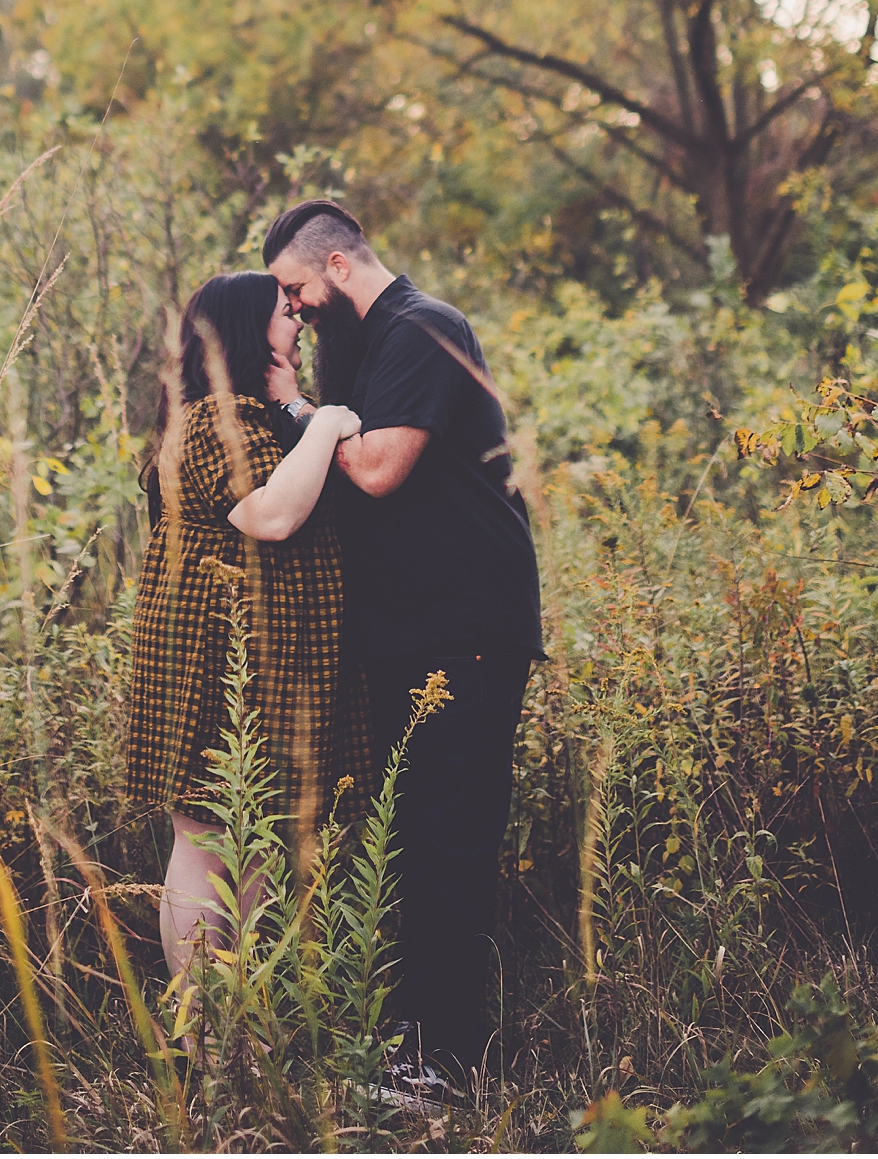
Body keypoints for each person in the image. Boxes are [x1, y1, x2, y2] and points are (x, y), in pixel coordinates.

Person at [262, 199, 545, 1100]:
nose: (293, 307)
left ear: (338, 266)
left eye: (296, 289)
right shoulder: (363, 346)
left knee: (445, 841)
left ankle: (446, 1067)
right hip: (405, 634)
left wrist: (295, 405)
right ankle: (411, 1048)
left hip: (462, 629)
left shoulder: (426, 328)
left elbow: (377, 466)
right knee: (403, 843)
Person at [125, 269, 370, 998]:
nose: (296, 319)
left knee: (263, 838)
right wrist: (325, 422)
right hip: (217, 662)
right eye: (282, 311)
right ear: (243, 329)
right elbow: (268, 515)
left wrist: (300, 409)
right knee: (207, 838)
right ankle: (205, 1034)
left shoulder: (249, 417)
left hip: (264, 663)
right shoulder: (210, 421)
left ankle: (247, 1026)